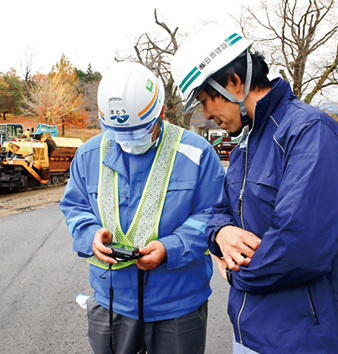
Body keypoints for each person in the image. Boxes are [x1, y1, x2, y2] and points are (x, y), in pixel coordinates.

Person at [171, 25, 338, 354]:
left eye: (205, 101)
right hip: (251, 333)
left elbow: (300, 247)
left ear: (234, 82)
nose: (207, 115)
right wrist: (221, 233)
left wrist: (232, 273)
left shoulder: (308, 132)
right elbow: (219, 210)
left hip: (306, 340)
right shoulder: (246, 144)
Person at [60, 61, 225, 354]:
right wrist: (91, 236)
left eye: (138, 132)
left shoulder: (197, 153)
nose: (127, 142)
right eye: (118, 134)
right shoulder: (89, 154)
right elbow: (75, 206)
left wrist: (170, 248)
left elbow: (211, 216)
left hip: (178, 303)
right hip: (110, 301)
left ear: (160, 112)